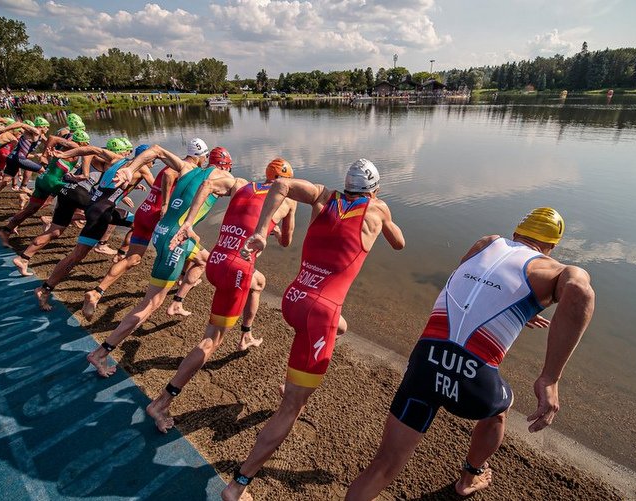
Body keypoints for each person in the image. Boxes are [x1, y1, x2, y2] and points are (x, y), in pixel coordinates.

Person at [345, 207, 595, 500]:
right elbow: (581, 292)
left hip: (425, 363)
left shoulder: (487, 243)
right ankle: (470, 476)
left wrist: (513, 304)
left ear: (516, 233)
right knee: (499, 409)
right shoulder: (555, 271)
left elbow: (463, 286)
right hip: (472, 383)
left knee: (383, 466)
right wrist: (550, 378)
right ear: (552, 247)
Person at [221, 159, 405, 500]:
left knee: (340, 326)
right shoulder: (379, 209)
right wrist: (386, 216)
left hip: (294, 299)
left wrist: (261, 231)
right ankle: (238, 484)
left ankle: (291, 380)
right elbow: (400, 244)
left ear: (345, 184)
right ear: (375, 189)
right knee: (292, 407)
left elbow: (281, 184)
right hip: (320, 313)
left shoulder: (323, 197)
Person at [146, 158, 297, 433]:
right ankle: (161, 402)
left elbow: (206, 183)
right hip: (236, 269)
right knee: (210, 342)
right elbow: (287, 241)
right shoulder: (287, 200)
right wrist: (271, 231)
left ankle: (246, 334)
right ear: (286, 181)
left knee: (259, 282)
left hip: (216, 260)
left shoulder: (242, 185)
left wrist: (189, 222)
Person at [84, 139, 228, 377]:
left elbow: (158, 150)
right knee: (150, 303)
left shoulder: (188, 169)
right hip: (175, 239)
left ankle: (177, 302)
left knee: (202, 258)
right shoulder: (212, 177)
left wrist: (131, 168)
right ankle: (101, 353)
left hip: (164, 231)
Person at [34, 142, 154, 311]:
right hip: (101, 213)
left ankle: (120, 254)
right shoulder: (143, 169)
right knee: (77, 255)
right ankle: (47, 289)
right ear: (146, 158)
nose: (153, 164)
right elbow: (159, 189)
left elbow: (90, 149)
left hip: (94, 207)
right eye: (152, 160)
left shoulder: (116, 159)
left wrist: (64, 155)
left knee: (136, 223)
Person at [80, 147, 180, 320]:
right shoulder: (180, 167)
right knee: (185, 248)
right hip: (156, 215)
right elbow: (169, 174)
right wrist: (166, 203)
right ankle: (182, 283)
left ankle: (97, 292)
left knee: (132, 259)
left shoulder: (151, 168)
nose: (153, 163)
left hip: (144, 211)